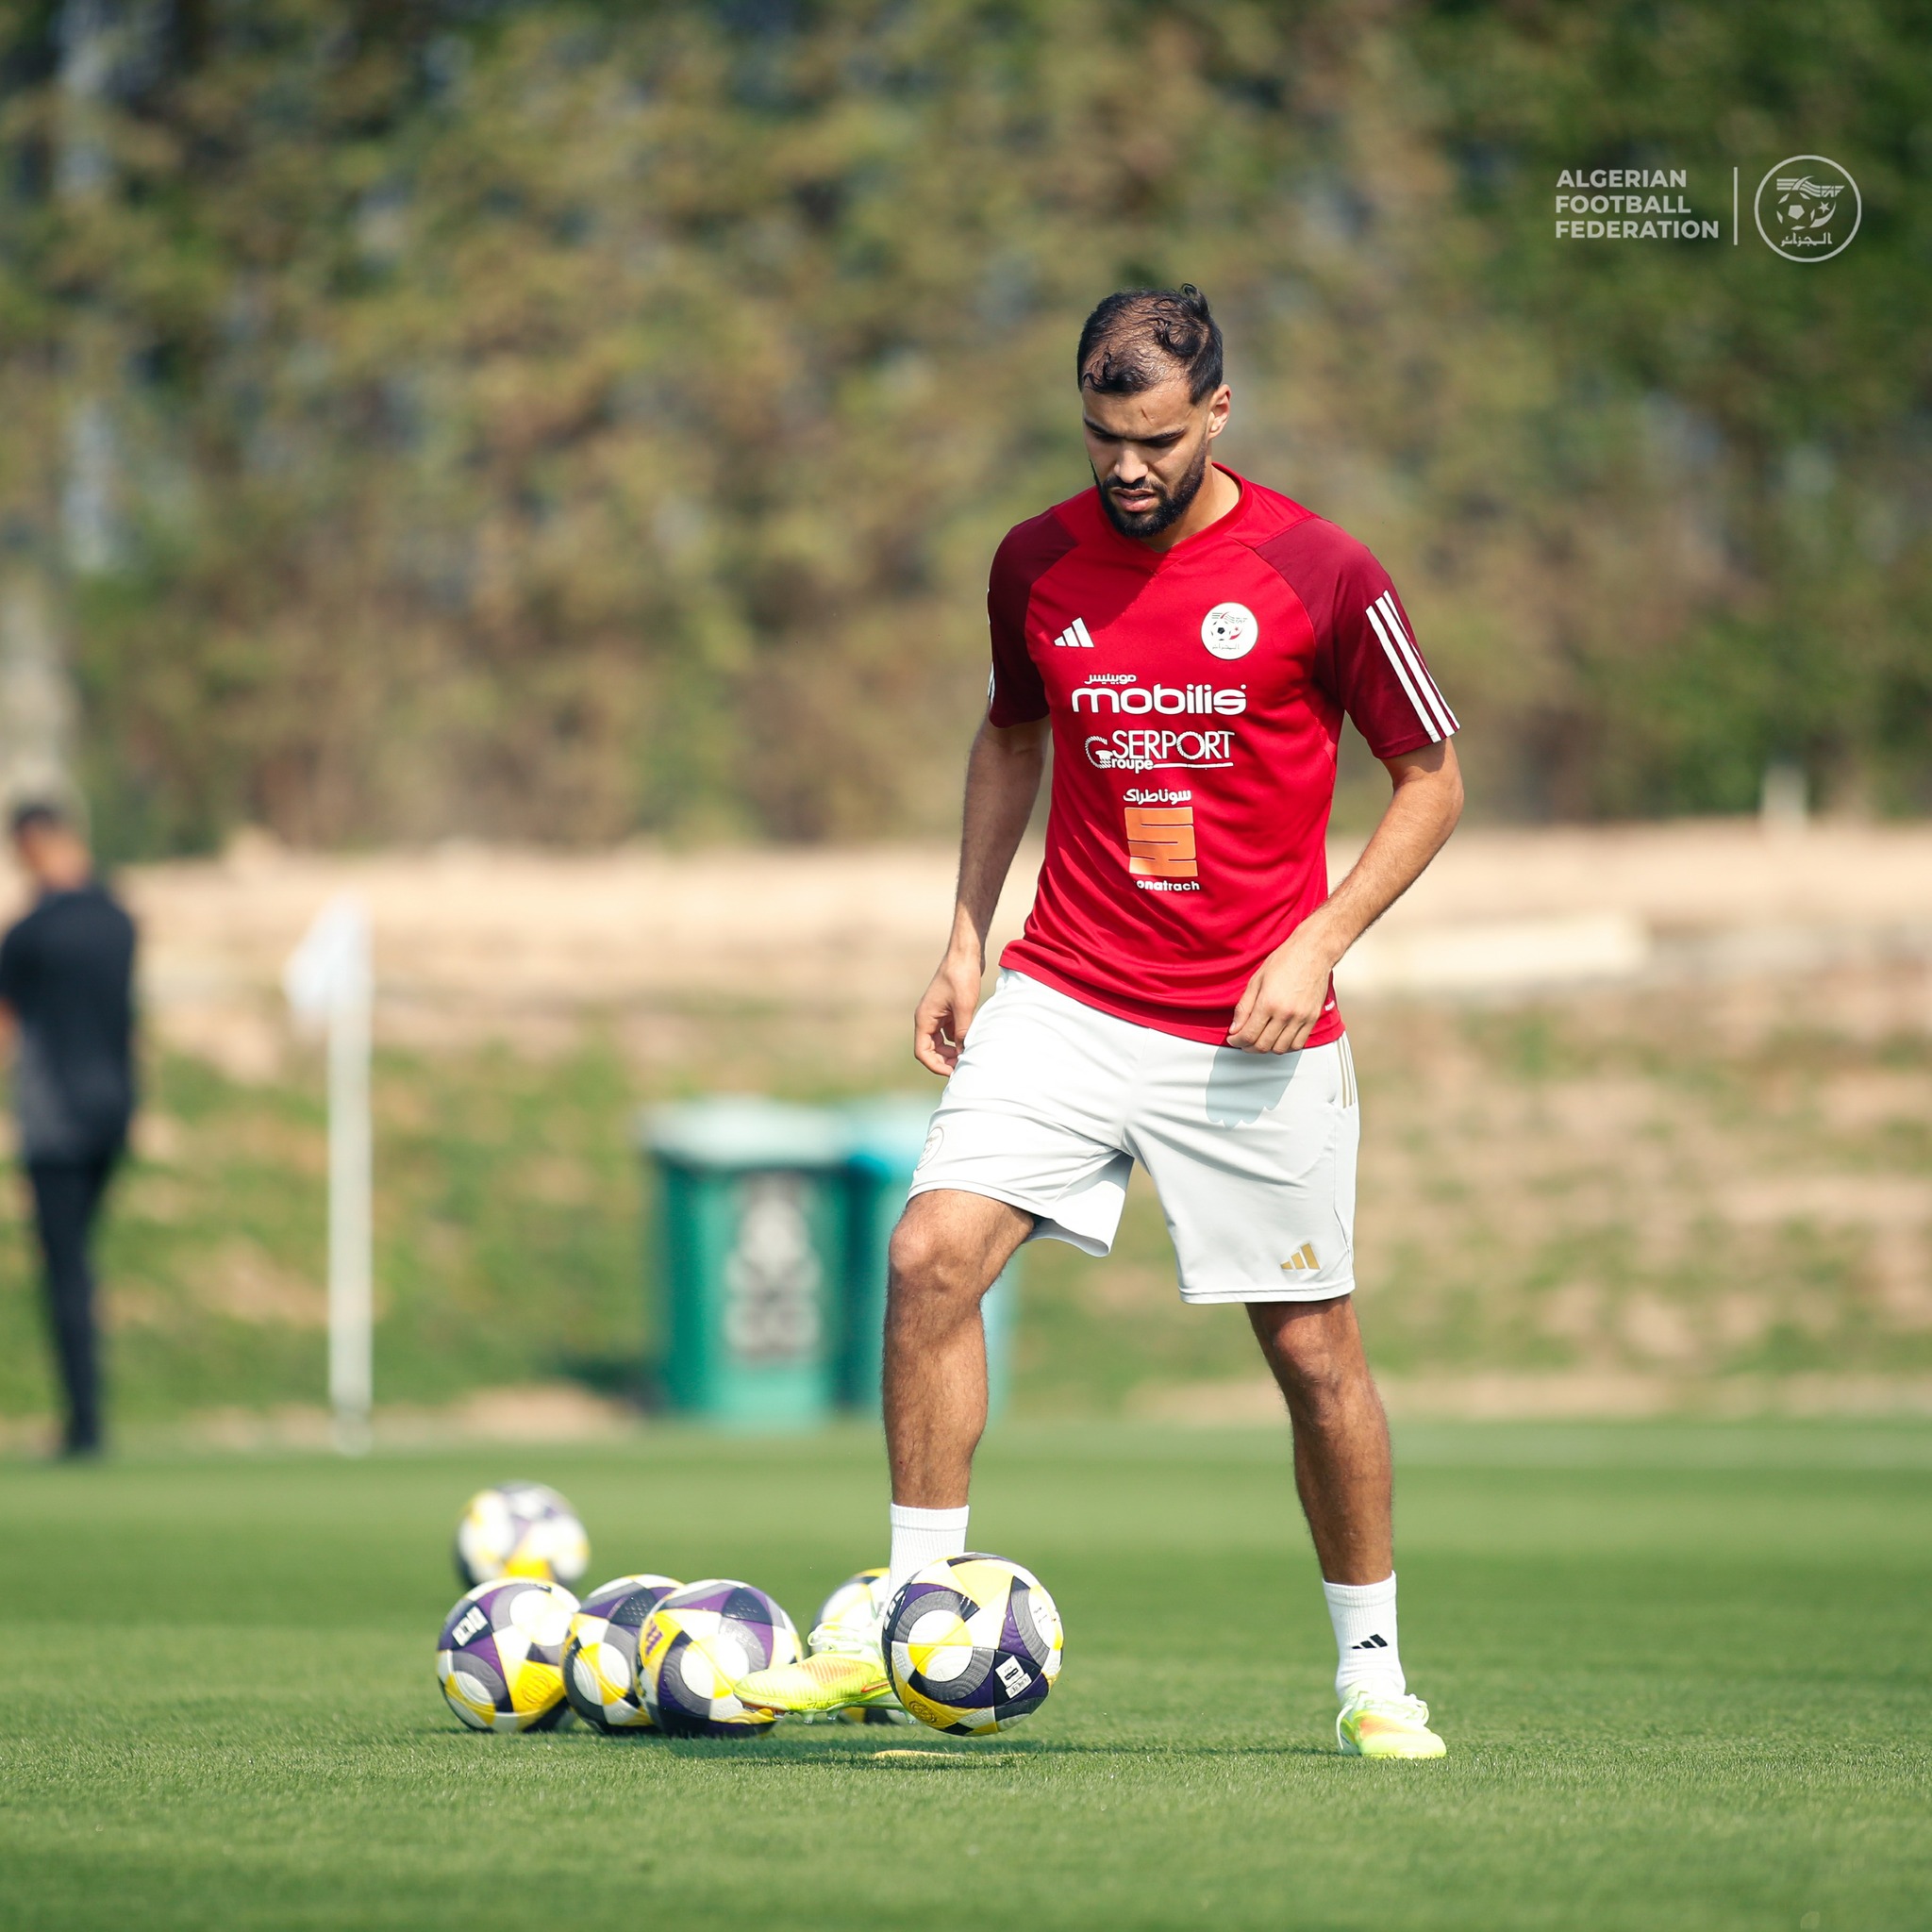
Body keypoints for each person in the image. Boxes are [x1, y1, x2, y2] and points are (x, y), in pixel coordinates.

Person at [741, 285, 1463, 1758]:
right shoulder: (1034, 562)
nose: (1125, 468)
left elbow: (1433, 781)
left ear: (1217, 413)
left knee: (1314, 1355)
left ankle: (1374, 1677)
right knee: (927, 1257)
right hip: (1066, 991)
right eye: (1099, 437)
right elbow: (1010, 734)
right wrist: (965, 938)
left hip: (1251, 1031)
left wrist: (1319, 944)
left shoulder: (1323, 573)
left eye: (1155, 441)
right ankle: (908, 1615)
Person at [0, 801, 138, 1457]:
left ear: (30, 845)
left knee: (66, 1270)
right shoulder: (119, 921)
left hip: (54, 1118)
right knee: (80, 1264)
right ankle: (87, 1415)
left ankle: (84, 1425)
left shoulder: (28, 935)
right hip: (116, 1108)